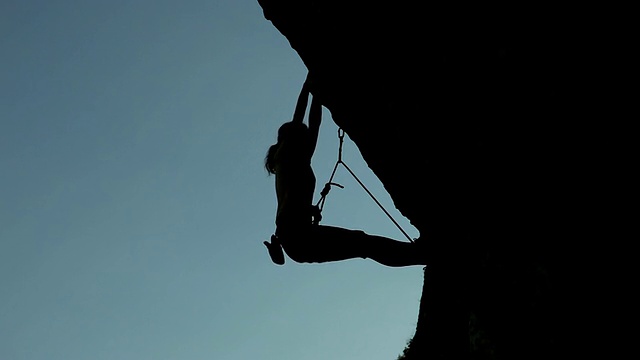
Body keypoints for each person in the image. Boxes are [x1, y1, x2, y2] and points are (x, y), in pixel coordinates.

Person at [263, 75, 426, 267]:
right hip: (298, 235)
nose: (308, 135)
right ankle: (422, 255)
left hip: (294, 238)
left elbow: (314, 124)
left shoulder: (295, 159)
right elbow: (301, 118)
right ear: (292, 137)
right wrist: (309, 85)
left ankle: (419, 254)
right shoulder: (287, 152)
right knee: (364, 244)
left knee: (363, 245)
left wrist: (315, 93)